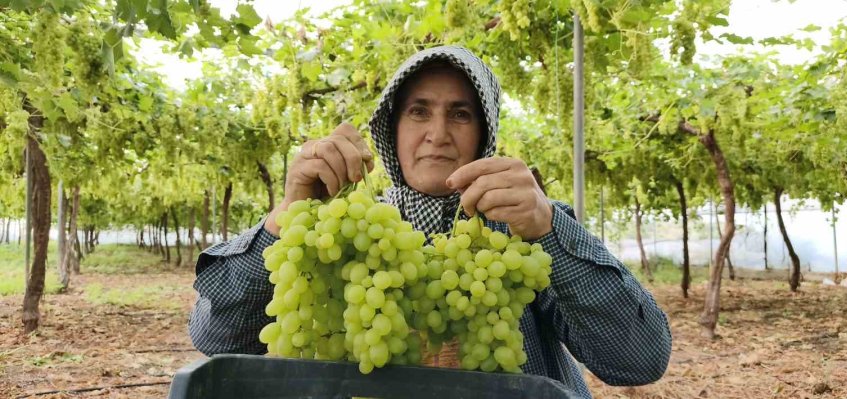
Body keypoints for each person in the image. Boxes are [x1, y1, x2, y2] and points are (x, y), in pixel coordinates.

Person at [188, 46, 671, 398]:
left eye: (460, 114)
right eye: (419, 112)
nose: (437, 134)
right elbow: (217, 337)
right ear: (391, 132)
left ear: (484, 135)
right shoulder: (340, 234)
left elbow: (638, 359)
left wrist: (550, 230)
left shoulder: (524, 232)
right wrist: (284, 221)